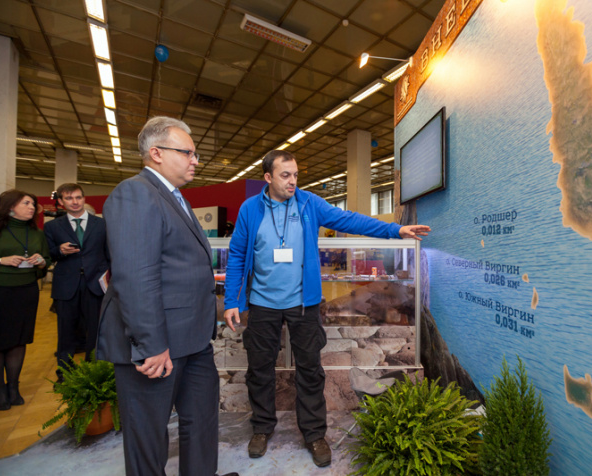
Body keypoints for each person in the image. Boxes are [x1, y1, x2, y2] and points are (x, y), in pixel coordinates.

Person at [223, 150, 430, 467]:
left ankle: (314, 434)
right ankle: (262, 429)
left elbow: (349, 219)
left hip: (303, 304)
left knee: (310, 371)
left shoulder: (308, 203)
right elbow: (237, 255)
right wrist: (232, 302)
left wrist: (395, 230)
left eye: (295, 175)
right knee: (259, 370)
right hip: (262, 304)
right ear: (267, 177)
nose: (292, 181)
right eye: (285, 175)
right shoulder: (250, 209)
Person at [97, 116, 237, 476]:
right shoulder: (136, 193)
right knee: (148, 437)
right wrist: (151, 344)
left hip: (192, 339)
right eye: (187, 152)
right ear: (156, 153)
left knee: (202, 424)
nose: (195, 160)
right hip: (157, 345)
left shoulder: (174, 198)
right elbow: (136, 276)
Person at [44, 183, 109, 381]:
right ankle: (64, 373)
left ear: (84, 198)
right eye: (69, 198)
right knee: (66, 332)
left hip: (95, 285)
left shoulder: (102, 224)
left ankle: (93, 373)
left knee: (95, 331)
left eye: (78, 197)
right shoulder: (52, 226)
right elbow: (48, 255)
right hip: (66, 286)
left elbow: (108, 254)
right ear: (62, 202)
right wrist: (60, 251)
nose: (75, 202)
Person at [0, 190, 50, 411]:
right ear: (10, 206)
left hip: (27, 291)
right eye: (26, 203)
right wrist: (1, 260)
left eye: (32, 203)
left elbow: (46, 260)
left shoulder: (36, 233)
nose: (32, 207)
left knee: (19, 340)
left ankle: (13, 387)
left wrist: (40, 261)